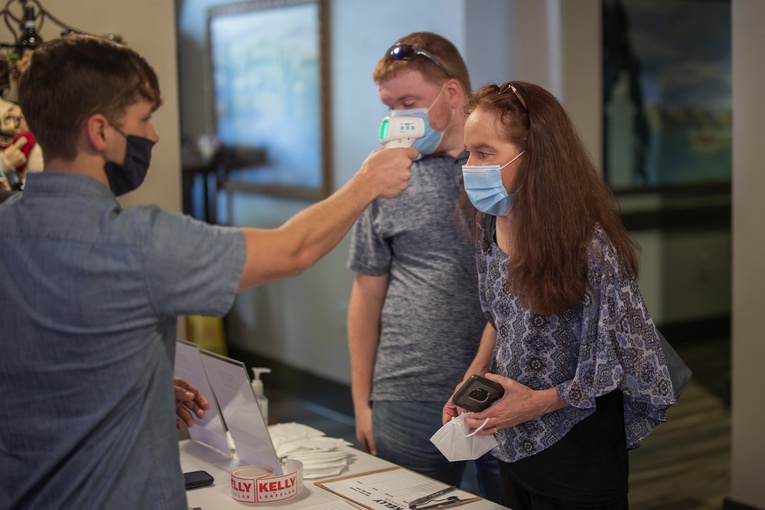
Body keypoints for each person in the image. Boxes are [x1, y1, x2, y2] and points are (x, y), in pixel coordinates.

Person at [0, 35, 415, 510]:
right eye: (143, 120)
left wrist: (140, 384)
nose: (153, 136)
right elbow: (292, 251)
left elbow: (45, 358)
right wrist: (366, 182)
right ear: (99, 132)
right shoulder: (138, 241)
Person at [443, 81, 677, 510]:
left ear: (533, 157)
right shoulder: (490, 224)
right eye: (468, 152)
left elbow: (629, 358)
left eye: (483, 152)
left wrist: (534, 403)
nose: (469, 165)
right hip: (512, 442)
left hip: (577, 447)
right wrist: (472, 379)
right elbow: (501, 317)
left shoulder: (587, 246)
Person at [346, 32, 500, 501]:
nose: (397, 118)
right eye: (389, 106)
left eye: (408, 102)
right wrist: (362, 403)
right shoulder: (385, 176)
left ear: (451, 95)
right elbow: (365, 296)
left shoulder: (499, 172)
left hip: (499, 390)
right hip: (405, 391)